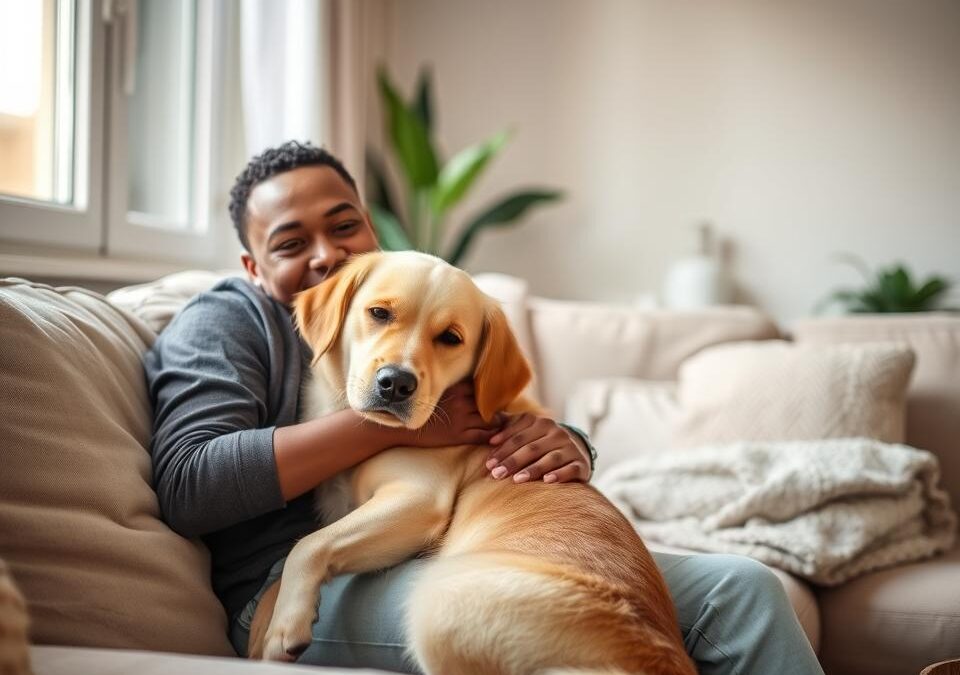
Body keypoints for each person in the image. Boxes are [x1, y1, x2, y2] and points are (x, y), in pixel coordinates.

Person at [146, 141, 825, 675]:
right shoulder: (227, 323)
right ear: (253, 266)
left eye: (344, 226)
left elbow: (496, 416)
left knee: (745, 589)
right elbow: (188, 483)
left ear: (373, 232)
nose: (326, 255)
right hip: (287, 585)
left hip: (459, 540)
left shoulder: (412, 303)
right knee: (468, 615)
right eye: (290, 243)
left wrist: (566, 440)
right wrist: (396, 423)